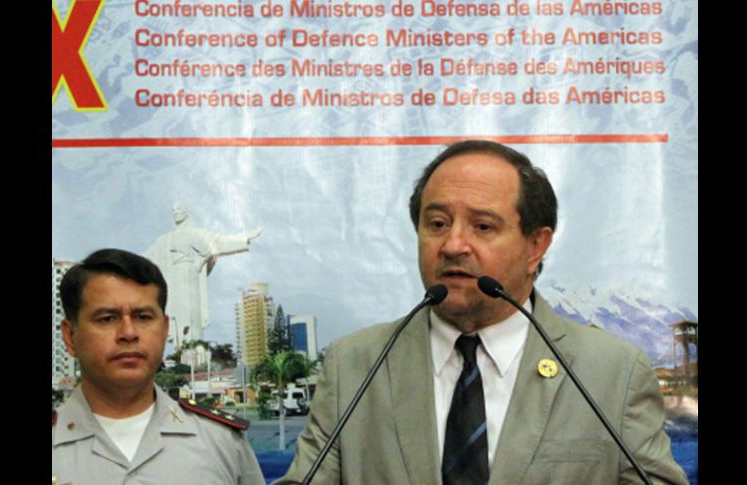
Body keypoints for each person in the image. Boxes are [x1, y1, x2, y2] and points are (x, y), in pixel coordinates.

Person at [276, 141, 688, 484]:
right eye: (436, 223)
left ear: (535, 247)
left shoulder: (611, 373)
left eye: (483, 227)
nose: (453, 245)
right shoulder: (354, 365)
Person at [52, 248, 265, 484]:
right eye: (107, 318)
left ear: (164, 330)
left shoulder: (221, 442)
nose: (128, 333)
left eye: (143, 317)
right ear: (71, 336)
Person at [144, 202, 262, 343]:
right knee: (177, 324)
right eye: (173, 210)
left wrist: (243, 237)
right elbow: (145, 258)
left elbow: (221, 242)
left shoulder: (198, 234)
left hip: (191, 281)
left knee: (193, 322)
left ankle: (194, 353)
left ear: (186, 212)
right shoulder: (165, 240)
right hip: (175, 285)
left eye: (179, 209)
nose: (176, 212)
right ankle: (181, 354)